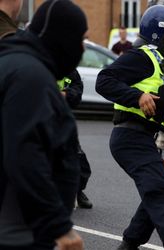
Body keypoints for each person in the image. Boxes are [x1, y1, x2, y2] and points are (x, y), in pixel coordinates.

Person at [96, 5, 164, 250]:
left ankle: (130, 243)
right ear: (157, 34)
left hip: (144, 139)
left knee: (160, 189)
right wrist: (137, 96)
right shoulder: (141, 56)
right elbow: (104, 80)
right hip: (129, 138)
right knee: (160, 190)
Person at [0, 0, 87, 249]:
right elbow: (25, 155)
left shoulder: (17, 63)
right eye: (80, 39)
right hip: (18, 230)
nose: (81, 48)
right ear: (61, 37)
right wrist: (59, 226)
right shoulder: (30, 76)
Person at [57, 70, 95, 209]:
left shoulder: (69, 68)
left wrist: (66, 94)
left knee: (81, 163)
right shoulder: (38, 63)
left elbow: (77, 92)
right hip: (37, 121)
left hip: (62, 122)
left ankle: (77, 192)